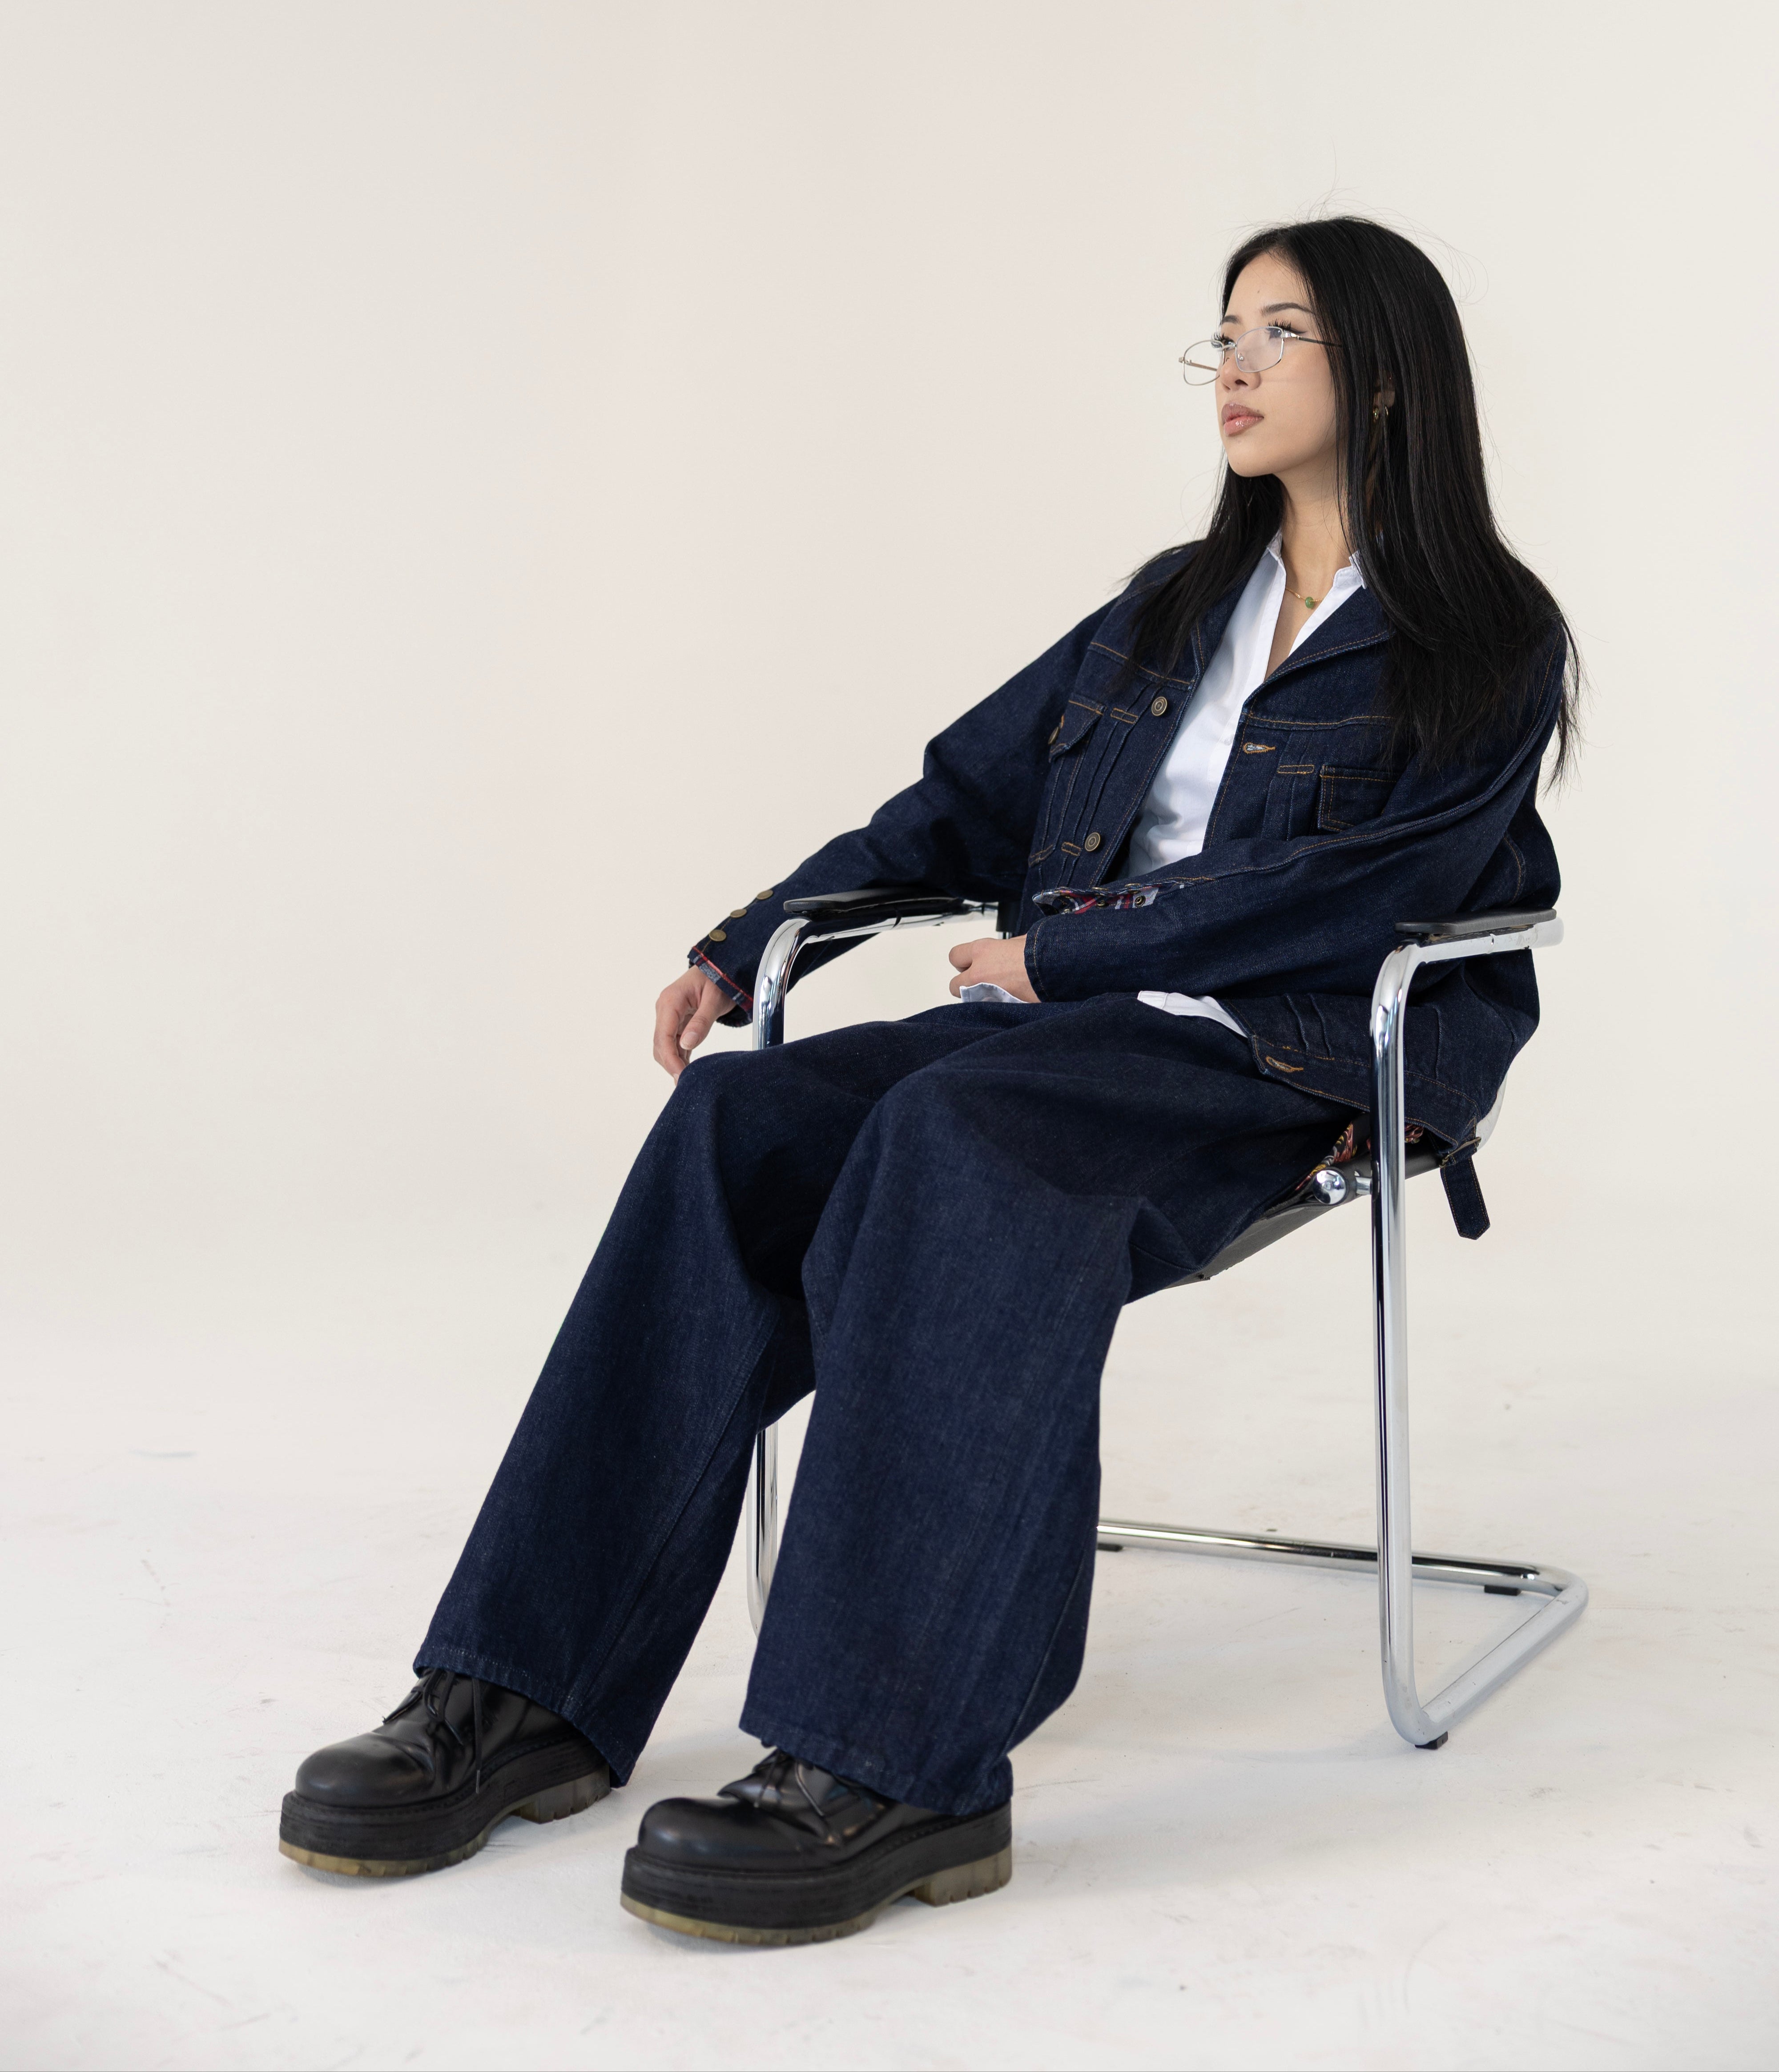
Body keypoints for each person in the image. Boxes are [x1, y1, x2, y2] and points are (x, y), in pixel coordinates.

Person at [278, 216, 1577, 1945]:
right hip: (1057, 1035)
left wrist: (1070, 949)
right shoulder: (1169, 609)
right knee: (738, 1125)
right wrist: (757, 933)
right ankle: (525, 1688)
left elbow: (1348, 892)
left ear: (1390, 375)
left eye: (1281, 332)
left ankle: (895, 1760)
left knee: (956, 1139)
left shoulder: (1484, 635)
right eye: (1222, 335)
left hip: (1280, 1056)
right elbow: (963, 796)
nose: (1235, 367)